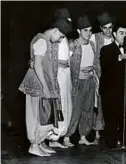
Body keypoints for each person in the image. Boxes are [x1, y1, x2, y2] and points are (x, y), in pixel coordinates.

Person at [19, 18, 71, 156]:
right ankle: (34, 145)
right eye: (60, 36)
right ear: (55, 30)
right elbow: (37, 65)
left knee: (44, 115)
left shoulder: (46, 41)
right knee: (36, 115)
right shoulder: (41, 41)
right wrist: (45, 88)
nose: (60, 40)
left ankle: (40, 143)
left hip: (43, 83)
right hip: (36, 84)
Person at [99, 23, 126, 150]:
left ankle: (125, 141)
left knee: (125, 114)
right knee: (111, 116)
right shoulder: (106, 49)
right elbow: (105, 64)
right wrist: (120, 57)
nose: (124, 36)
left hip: (123, 87)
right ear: (114, 34)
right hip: (109, 88)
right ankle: (112, 143)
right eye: (121, 33)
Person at [63, 15, 98, 146]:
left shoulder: (93, 45)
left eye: (90, 30)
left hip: (90, 81)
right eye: (85, 30)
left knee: (87, 110)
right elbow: (65, 61)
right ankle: (67, 137)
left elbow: (95, 62)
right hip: (77, 82)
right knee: (74, 110)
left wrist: (93, 72)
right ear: (79, 31)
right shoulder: (73, 45)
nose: (88, 33)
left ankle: (83, 136)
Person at [48, 8, 73, 149]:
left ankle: (58, 137)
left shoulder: (64, 37)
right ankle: (52, 137)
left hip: (66, 74)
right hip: (58, 75)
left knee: (65, 104)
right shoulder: (55, 36)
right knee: (58, 104)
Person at [89, 12, 115, 144]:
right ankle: (97, 134)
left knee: (111, 105)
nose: (108, 31)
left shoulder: (115, 39)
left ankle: (111, 133)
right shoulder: (94, 38)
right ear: (100, 28)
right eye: (105, 28)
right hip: (98, 75)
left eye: (110, 28)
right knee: (97, 104)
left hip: (112, 76)